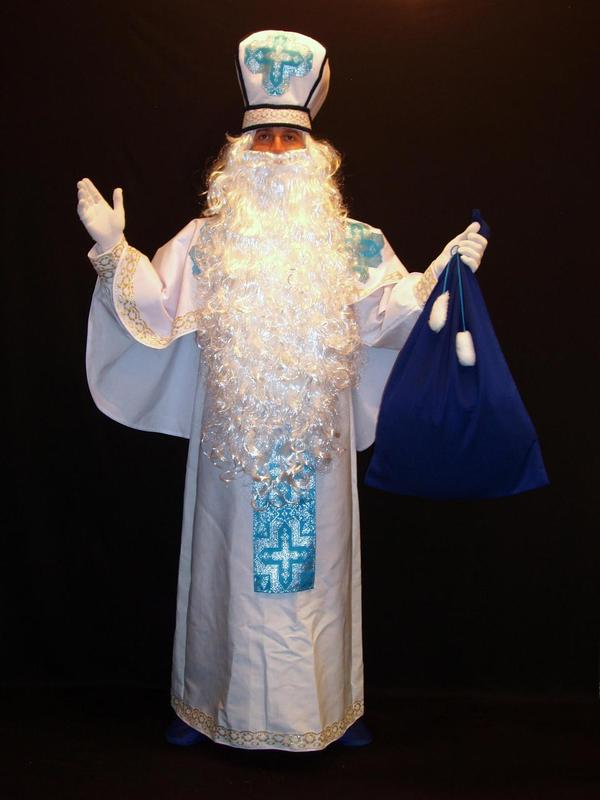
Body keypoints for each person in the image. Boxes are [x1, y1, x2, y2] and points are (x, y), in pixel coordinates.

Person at [77, 30, 487, 752]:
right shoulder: (206, 241)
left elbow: (388, 313)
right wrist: (115, 253)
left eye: (287, 139)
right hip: (232, 458)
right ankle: (207, 705)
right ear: (238, 151)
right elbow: (155, 312)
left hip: (315, 455)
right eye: (261, 138)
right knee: (225, 572)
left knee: (316, 581)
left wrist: (440, 277)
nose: (273, 152)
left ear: (313, 154)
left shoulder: (353, 242)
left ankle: (330, 708)